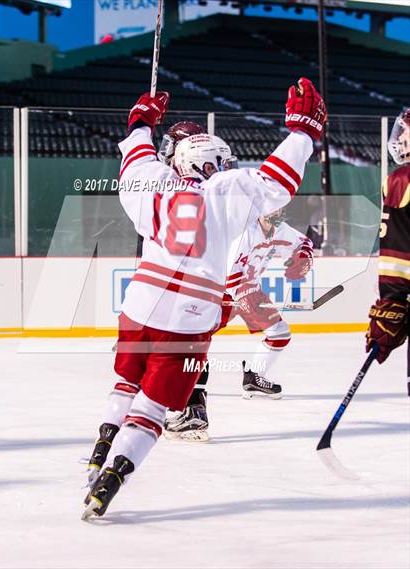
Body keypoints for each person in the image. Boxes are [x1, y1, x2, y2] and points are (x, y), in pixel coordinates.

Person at [82, 78, 326, 519]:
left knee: (125, 383)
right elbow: (279, 181)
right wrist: (303, 132)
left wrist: (141, 122)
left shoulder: (150, 182)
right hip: (191, 316)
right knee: (153, 409)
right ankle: (113, 479)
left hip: (139, 305)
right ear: (213, 163)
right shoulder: (228, 191)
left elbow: (135, 156)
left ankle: (101, 448)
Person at [164, 210, 313, 441]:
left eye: (283, 206)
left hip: (246, 292)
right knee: (191, 341)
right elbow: (229, 277)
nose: (280, 211)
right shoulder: (242, 231)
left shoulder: (280, 230)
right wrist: (245, 299)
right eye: (275, 206)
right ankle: (187, 405)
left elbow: (303, 242)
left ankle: (253, 378)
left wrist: (303, 257)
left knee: (279, 333)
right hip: (218, 292)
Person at [366, 108, 409, 391]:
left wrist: (391, 304)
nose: (399, 137)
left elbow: (397, 256)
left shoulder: (401, 180)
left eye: (404, 130)